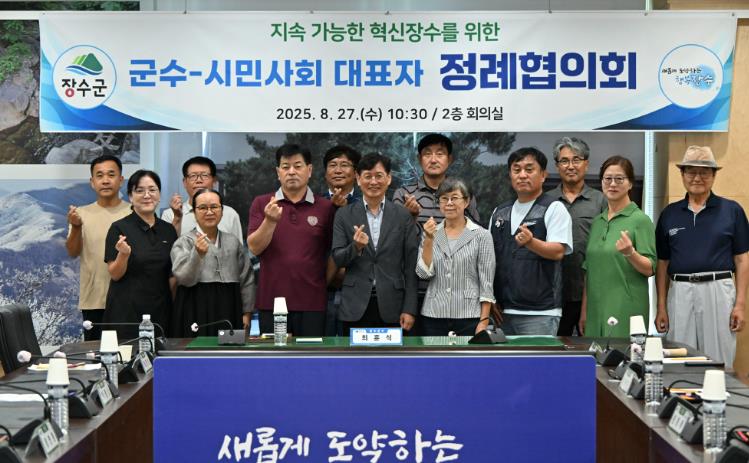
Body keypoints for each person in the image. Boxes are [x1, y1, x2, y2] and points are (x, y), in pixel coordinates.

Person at [655, 146, 749, 365]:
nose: (697, 178)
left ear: (714, 175)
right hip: (680, 291)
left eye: (704, 172)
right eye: (691, 171)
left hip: (718, 290)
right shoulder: (669, 214)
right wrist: (661, 307)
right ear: (682, 174)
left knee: (718, 361)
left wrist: (740, 304)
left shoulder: (732, 211)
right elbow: (663, 263)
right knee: (679, 358)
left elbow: (742, 259)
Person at [392, 133, 481, 331]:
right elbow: (394, 242)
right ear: (419, 159)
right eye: (427, 154)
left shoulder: (463, 194)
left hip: (455, 293)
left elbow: (475, 238)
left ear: (449, 159)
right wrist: (409, 218)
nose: (433, 159)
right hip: (413, 290)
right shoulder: (404, 194)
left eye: (440, 154)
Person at [247, 144, 335, 337]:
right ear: (278, 172)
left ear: (309, 170)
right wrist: (270, 221)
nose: (292, 172)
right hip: (272, 302)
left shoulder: (325, 207)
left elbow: (333, 254)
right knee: (274, 356)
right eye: (285, 167)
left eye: (298, 166)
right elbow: (254, 248)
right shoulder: (262, 203)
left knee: (311, 356)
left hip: (313, 302)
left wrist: (322, 284)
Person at [489, 147, 573, 335]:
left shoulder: (554, 208)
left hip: (540, 312)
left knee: (537, 357)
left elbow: (558, 251)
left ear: (543, 175)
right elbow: (488, 259)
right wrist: (490, 298)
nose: (522, 175)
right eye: (516, 170)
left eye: (529, 169)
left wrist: (531, 243)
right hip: (502, 311)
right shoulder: (499, 213)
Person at [332, 153, 419, 332]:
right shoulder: (344, 214)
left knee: (392, 352)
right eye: (367, 176)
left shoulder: (402, 216)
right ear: (358, 179)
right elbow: (338, 259)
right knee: (354, 351)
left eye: (379, 176)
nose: (373, 182)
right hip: (354, 306)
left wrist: (410, 309)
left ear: (389, 178)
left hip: (393, 306)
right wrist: (356, 247)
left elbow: (411, 266)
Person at [581, 156, 656, 338]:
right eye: (608, 179)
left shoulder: (640, 220)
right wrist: (584, 310)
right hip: (595, 309)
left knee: (622, 354)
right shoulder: (598, 222)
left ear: (630, 184)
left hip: (626, 308)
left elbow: (650, 268)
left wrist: (631, 253)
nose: (613, 184)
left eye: (619, 179)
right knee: (595, 354)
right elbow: (589, 271)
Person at [170, 189, 255, 337]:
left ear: (222, 211)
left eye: (214, 207)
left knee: (228, 348)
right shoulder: (184, 242)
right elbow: (183, 278)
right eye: (203, 208)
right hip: (194, 306)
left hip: (230, 305)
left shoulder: (233, 242)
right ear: (194, 212)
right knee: (196, 349)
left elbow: (246, 278)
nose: (209, 212)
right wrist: (197, 255)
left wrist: (247, 312)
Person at [104, 170, 178, 340]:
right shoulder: (119, 228)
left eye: (152, 190)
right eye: (139, 190)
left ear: (159, 195)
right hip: (126, 312)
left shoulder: (168, 230)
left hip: (161, 311)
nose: (147, 195)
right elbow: (115, 274)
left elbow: (172, 275)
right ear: (130, 197)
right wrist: (123, 255)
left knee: (161, 355)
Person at [417, 178, 495, 336]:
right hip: (434, 314)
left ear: (466, 202)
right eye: (444, 198)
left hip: (469, 315)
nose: (449, 203)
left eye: (454, 198)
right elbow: (423, 274)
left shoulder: (482, 235)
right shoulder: (430, 233)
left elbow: (486, 282)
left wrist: (484, 320)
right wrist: (429, 239)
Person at [66, 154, 131, 341]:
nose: (105, 180)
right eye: (100, 175)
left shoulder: (133, 212)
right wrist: (76, 227)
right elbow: (72, 252)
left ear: (121, 180)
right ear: (92, 182)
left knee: (131, 353)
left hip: (129, 299)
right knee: (95, 354)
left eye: (111, 175)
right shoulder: (81, 214)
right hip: (94, 301)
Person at [550, 137, 606, 336]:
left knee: (593, 349)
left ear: (586, 164)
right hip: (555, 294)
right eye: (564, 161)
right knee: (555, 350)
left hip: (591, 292)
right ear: (557, 166)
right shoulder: (546, 201)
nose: (571, 166)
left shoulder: (601, 200)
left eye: (576, 160)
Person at [321, 145, 362, 336]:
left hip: (357, 288)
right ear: (325, 173)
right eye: (332, 165)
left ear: (356, 173)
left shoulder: (367, 204)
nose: (338, 170)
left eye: (344, 165)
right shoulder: (314, 204)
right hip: (321, 288)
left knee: (354, 347)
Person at [161, 156, 244, 243]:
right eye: (193, 176)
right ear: (185, 182)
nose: (199, 180)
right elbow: (166, 249)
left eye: (204, 175)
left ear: (214, 181)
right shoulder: (170, 215)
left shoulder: (230, 214)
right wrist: (177, 219)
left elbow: (238, 249)